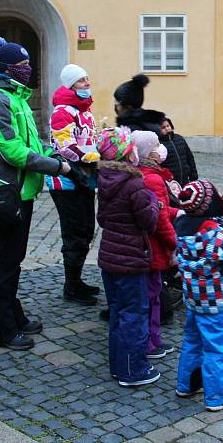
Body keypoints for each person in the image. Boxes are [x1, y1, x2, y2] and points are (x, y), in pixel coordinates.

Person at [0, 37, 75, 351]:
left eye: (28, 64)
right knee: (4, 261)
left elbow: (31, 144)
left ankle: (13, 315)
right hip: (7, 191)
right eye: (22, 66)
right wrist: (56, 169)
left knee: (13, 259)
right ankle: (1, 330)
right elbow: (13, 152)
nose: (28, 70)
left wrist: (57, 154)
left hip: (23, 191)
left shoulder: (15, 97)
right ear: (6, 69)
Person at [95, 127, 160, 387]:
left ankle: (118, 365)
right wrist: (154, 202)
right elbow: (149, 221)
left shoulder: (105, 181)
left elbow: (102, 218)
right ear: (127, 153)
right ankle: (133, 371)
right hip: (131, 259)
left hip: (109, 257)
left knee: (118, 313)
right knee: (134, 314)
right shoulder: (135, 184)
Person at [174, 179, 223, 412]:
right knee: (216, 347)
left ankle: (187, 385)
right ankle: (218, 396)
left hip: (192, 298)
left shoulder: (181, 228)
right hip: (214, 302)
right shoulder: (217, 235)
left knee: (192, 341)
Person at [47, 64, 101, 306]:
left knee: (87, 229)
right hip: (66, 181)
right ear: (70, 85)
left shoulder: (86, 112)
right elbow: (63, 146)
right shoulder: (62, 111)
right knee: (74, 231)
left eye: (87, 79)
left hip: (85, 178)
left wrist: (102, 145)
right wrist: (88, 156)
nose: (87, 83)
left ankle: (77, 280)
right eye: (81, 81)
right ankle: (71, 285)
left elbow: (91, 137)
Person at [131, 130, 177, 360]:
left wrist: (179, 212)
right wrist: (174, 243)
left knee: (153, 293)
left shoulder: (144, 174)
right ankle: (149, 341)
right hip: (153, 247)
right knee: (151, 296)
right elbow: (160, 219)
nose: (161, 148)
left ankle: (154, 338)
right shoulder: (151, 178)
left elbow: (162, 209)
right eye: (157, 144)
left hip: (146, 246)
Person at [159, 117, 198, 187]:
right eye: (163, 127)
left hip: (185, 180)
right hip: (171, 183)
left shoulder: (179, 139)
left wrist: (193, 174)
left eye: (168, 126)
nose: (167, 129)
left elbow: (190, 157)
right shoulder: (159, 144)